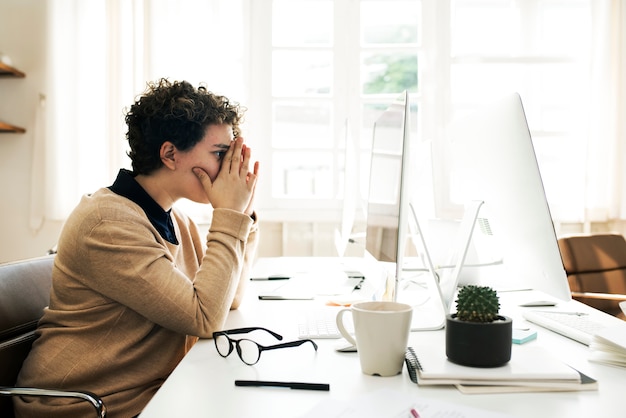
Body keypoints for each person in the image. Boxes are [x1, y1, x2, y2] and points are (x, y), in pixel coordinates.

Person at [14, 79, 259, 417]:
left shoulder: (177, 221)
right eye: (221, 154)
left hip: (147, 391)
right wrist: (228, 215)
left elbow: (226, 299)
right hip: (85, 404)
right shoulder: (108, 223)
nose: (230, 167)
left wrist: (242, 215)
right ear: (170, 154)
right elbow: (204, 318)